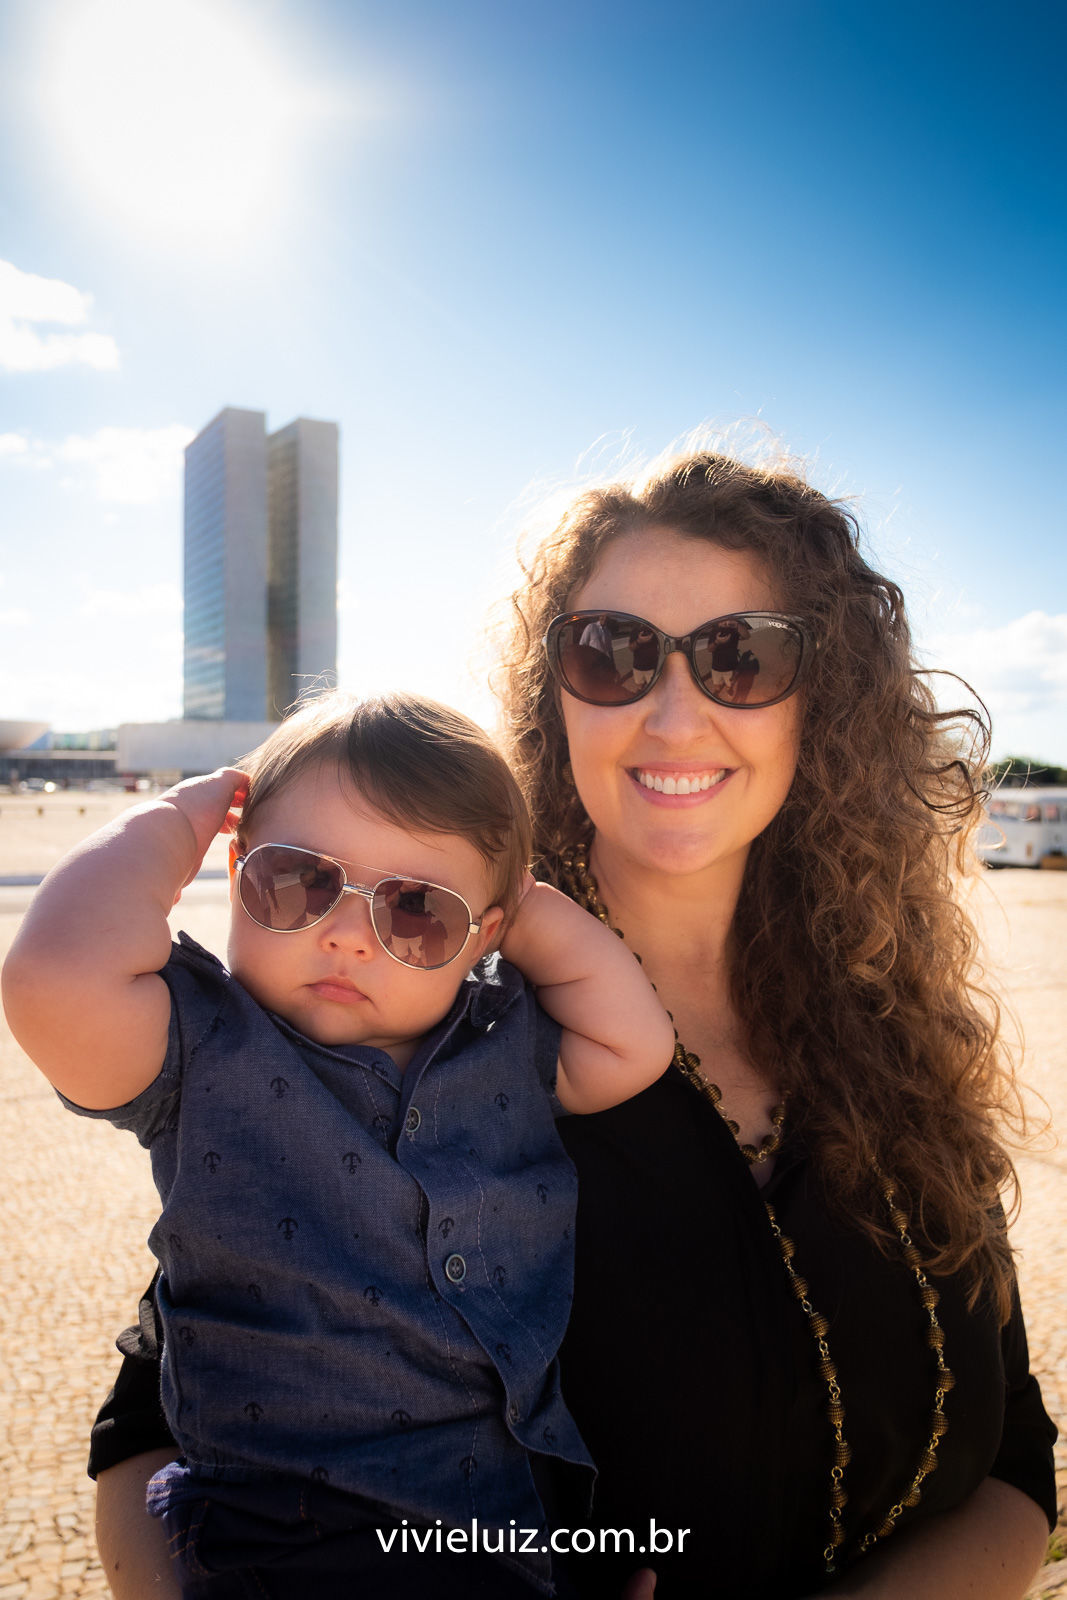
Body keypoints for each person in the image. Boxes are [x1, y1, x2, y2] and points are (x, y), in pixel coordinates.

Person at [76, 447, 1057, 1599]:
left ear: (820, 699)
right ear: (556, 691)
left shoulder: (891, 1031)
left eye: (742, 656)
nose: (673, 710)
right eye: (614, 653)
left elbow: (1012, 1464)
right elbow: (153, 1432)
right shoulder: (431, 1016)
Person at [2, 690, 674, 1599]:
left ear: (483, 934)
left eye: (416, 912)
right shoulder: (199, 1046)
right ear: (234, 867)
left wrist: (523, 913)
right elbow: (50, 977)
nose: (349, 935)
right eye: (299, 880)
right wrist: (176, 818)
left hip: (514, 1509)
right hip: (285, 1521)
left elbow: (634, 1048)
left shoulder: (505, 1045)